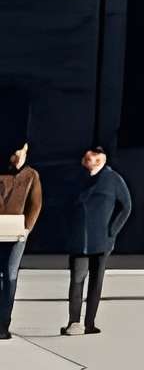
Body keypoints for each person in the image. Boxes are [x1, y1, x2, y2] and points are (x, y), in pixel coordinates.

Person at [62, 149, 131, 336]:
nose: (88, 160)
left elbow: (126, 206)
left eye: (92, 158)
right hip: (79, 241)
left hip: (102, 241)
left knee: (96, 282)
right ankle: (74, 322)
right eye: (86, 158)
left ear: (101, 160)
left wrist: (112, 231)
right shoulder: (76, 178)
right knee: (77, 279)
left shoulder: (113, 179)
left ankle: (89, 323)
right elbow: (65, 204)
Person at [0, 140, 43, 341]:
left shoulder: (31, 175)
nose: (18, 159)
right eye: (15, 155)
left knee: (10, 275)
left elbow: (35, 204)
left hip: (17, 234)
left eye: (22, 154)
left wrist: (27, 228)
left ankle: (3, 324)